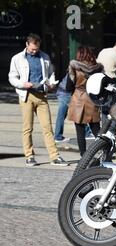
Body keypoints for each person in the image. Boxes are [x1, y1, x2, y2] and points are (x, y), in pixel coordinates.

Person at [8, 33, 68, 166]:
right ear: (27, 45)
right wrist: (22, 84)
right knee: (27, 128)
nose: (34, 51)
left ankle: (54, 156)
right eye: (32, 49)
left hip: (42, 95)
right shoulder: (17, 58)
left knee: (47, 128)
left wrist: (51, 83)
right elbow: (12, 77)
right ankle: (29, 156)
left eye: (36, 49)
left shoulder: (45, 57)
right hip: (27, 95)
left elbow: (51, 73)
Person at [67, 46, 104, 156]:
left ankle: (83, 156)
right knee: (96, 129)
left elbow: (69, 86)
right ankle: (104, 151)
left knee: (80, 131)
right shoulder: (98, 68)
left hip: (78, 98)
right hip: (93, 100)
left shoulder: (74, 67)